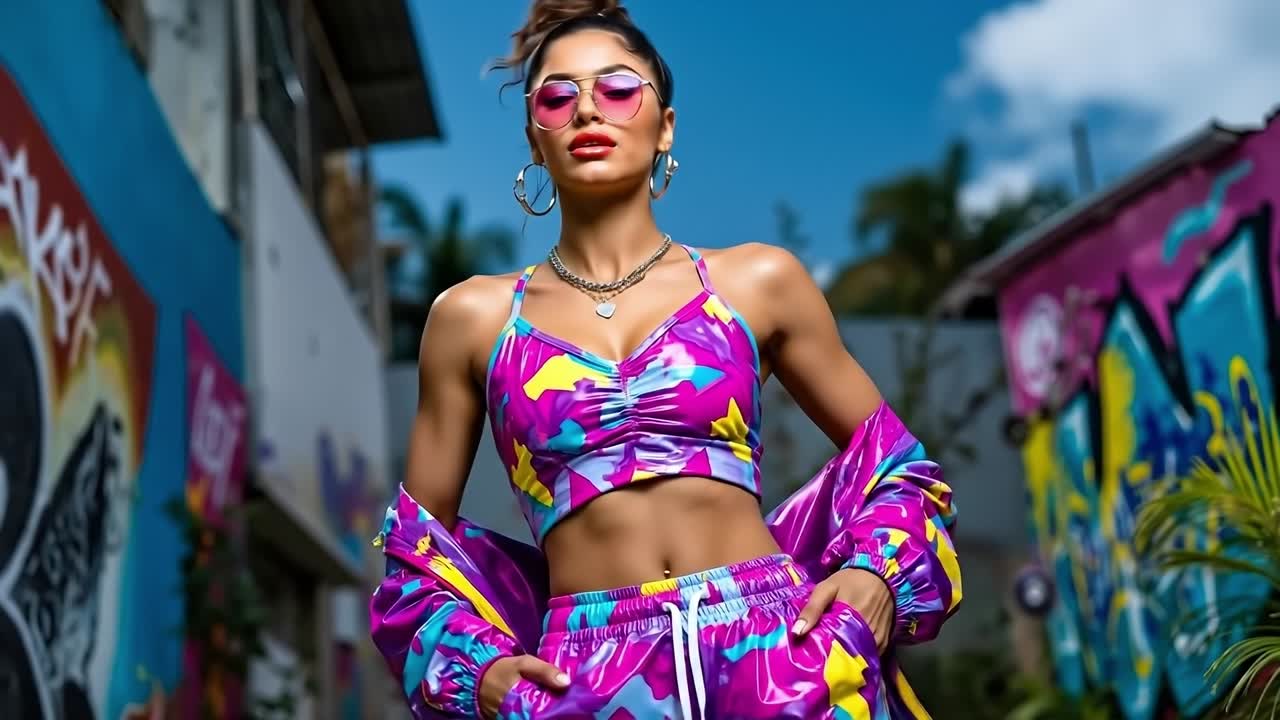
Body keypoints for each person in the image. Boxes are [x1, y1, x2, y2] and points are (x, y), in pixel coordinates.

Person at [369, 1, 962, 718]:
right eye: (557, 97)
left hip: (781, 654)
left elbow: (898, 467)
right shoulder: (473, 319)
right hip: (587, 682)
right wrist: (487, 676)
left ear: (665, 127)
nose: (587, 110)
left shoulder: (756, 282)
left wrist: (873, 579)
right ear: (534, 137)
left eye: (617, 89)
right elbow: (414, 558)